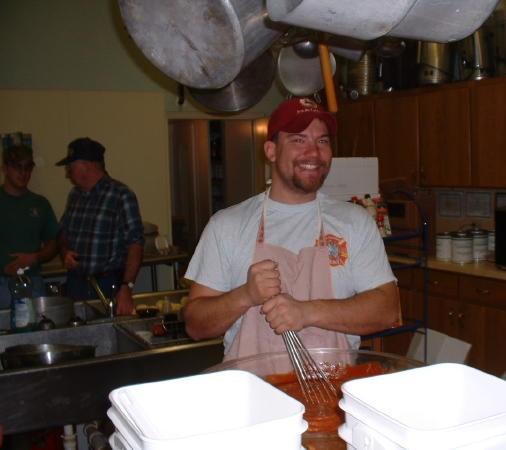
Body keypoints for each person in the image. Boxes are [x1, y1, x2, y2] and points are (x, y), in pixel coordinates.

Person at [184, 98, 400, 361]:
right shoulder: (227, 225)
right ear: (271, 151)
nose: (314, 152)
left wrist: (306, 313)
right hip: (253, 396)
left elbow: (387, 310)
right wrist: (246, 295)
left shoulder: (355, 222)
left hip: (327, 395)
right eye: (299, 139)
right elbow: (195, 325)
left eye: (322, 141)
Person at [55, 137, 144, 315]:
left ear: (86, 165)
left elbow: (135, 244)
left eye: (70, 167)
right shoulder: (75, 195)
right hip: (76, 283)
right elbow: (62, 232)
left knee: (107, 337)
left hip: (107, 284)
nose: (67, 173)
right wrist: (65, 251)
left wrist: (127, 287)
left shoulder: (121, 195)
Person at [0, 145, 59, 309]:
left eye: (27, 168)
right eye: (17, 167)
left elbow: (53, 244)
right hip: (1, 283)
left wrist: (34, 258)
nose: (23, 173)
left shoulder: (40, 204)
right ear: (5, 168)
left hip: (32, 283)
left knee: (36, 332)